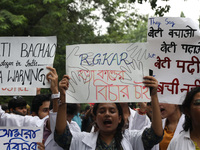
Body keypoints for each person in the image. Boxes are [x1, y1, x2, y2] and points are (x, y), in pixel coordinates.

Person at [54, 75, 163, 150]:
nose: (107, 114)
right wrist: (63, 98)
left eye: (112, 111)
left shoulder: (132, 139)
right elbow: (61, 135)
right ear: (95, 117)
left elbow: (156, 134)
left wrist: (153, 95)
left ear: (119, 118)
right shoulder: (81, 140)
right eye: (102, 111)